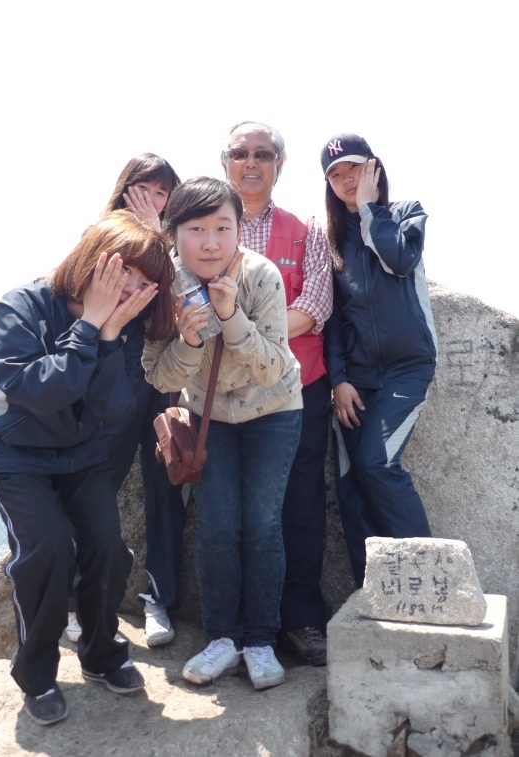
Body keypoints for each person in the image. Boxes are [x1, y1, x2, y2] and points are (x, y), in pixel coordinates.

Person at [0, 211, 175, 724]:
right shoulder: (21, 305)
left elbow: (113, 408)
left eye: (144, 283)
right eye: (125, 270)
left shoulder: (123, 325)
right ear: (95, 257)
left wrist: (109, 335)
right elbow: (40, 390)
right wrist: (88, 327)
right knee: (47, 549)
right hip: (14, 450)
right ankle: (36, 674)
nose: (131, 288)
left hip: (80, 449)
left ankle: (101, 654)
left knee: (106, 544)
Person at [143, 176, 303, 690]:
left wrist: (230, 316)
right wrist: (188, 341)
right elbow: (159, 376)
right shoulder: (164, 286)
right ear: (173, 233)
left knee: (262, 525)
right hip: (207, 417)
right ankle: (222, 639)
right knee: (215, 525)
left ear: (239, 231)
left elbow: (272, 368)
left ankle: (260, 641)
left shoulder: (260, 275)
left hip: (272, 410)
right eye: (196, 229)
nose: (210, 242)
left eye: (223, 227)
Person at [221, 122, 333, 666]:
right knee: (231, 510)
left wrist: (242, 331)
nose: (251, 162)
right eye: (240, 153)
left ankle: (301, 620)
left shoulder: (306, 230)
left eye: (262, 154)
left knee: (302, 504)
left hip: (300, 387)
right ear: (225, 163)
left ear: (279, 165)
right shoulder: (208, 228)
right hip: (224, 395)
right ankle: (234, 627)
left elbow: (315, 306)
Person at [66, 153, 185, 649]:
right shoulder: (99, 240)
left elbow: (172, 307)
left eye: (162, 194)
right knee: (96, 487)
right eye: (145, 190)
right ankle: (75, 600)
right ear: (123, 191)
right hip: (110, 378)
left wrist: (156, 237)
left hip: (158, 379)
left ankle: (159, 599)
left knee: (166, 485)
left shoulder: (174, 248)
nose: (152, 202)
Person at [321, 132, 437, 587]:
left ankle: (432, 581)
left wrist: (370, 209)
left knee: (377, 463)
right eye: (335, 174)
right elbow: (333, 321)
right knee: (351, 484)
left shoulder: (406, 213)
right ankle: (370, 592)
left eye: (353, 167)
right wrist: (338, 379)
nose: (346, 179)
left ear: (374, 167)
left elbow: (399, 261)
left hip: (407, 370)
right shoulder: (331, 241)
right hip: (357, 379)